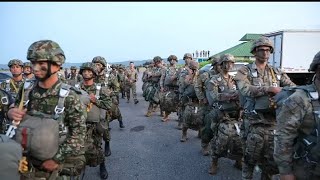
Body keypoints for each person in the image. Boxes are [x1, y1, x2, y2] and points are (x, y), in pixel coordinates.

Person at [7, 40, 87, 179]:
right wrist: (11, 112)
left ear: (57, 65)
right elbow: (15, 107)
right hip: (25, 158)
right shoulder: (26, 89)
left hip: (53, 163)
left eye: (41, 63)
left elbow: (78, 134)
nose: (35, 68)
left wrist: (57, 159)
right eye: (33, 63)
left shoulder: (70, 96)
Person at [234, 36, 296, 180]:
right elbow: (244, 89)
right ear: (255, 52)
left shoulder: (276, 71)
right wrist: (268, 89)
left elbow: (292, 87)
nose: (265, 53)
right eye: (261, 50)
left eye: (268, 50)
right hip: (253, 121)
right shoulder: (245, 70)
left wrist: (285, 91)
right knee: (250, 157)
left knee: (271, 159)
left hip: (273, 121)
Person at [274, 51, 320, 180]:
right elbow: (284, 136)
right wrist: (285, 171)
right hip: (309, 169)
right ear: (318, 68)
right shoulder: (300, 99)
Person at [207, 54, 243, 175]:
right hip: (220, 114)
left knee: (239, 139)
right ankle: (214, 162)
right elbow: (213, 97)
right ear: (221, 65)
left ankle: (238, 160)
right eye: (227, 63)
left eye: (232, 63)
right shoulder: (214, 80)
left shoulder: (235, 80)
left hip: (236, 114)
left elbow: (242, 94)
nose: (230, 65)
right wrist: (230, 96)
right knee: (219, 140)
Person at [78, 62, 111, 179]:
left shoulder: (101, 89)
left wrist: (95, 100)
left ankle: (102, 165)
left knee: (96, 147)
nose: (86, 73)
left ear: (94, 73)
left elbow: (108, 105)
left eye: (89, 71)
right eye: (84, 71)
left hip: (94, 124)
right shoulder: (76, 88)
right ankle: (79, 169)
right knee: (78, 147)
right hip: (78, 124)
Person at [92, 56, 112, 156]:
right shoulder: (90, 76)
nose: (96, 66)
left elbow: (116, 89)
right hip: (92, 104)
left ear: (103, 66)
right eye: (95, 64)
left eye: (98, 64)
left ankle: (107, 143)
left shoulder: (108, 76)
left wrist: (109, 92)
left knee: (104, 127)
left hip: (104, 105)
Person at [177, 53, 194, 130]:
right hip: (181, 91)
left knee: (191, 109)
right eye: (186, 58)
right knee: (181, 107)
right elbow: (177, 78)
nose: (187, 59)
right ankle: (180, 122)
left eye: (189, 58)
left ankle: (191, 123)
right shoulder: (181, 69)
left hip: (190, 92)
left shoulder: (194, 68)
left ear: (191, 59)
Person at [159, 55, 179, 122]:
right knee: (166, 103)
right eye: (170, 60)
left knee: (178, 103)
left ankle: (180, 118)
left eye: (173, 60)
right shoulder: (166, 69)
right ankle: (166, 116)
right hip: (167, 88)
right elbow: (162, 78)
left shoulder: (179, 69)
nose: (172, 61)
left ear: (176, 61)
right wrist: (161, 87)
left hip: (176, 89)